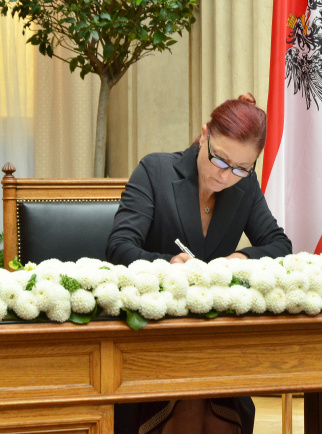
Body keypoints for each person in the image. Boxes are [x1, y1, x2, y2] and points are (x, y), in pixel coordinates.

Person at [107, 93, 292, 434]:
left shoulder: (244, 186)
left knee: (218, 419)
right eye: (220, 161)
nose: (226, 176)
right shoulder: (156, 171)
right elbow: (119, 247)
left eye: (241, 168)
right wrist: (168, 264)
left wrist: (241, 258)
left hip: (214, 339)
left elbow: (280, 246)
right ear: (203, 135)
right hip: (154, 334)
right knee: (190, 410)